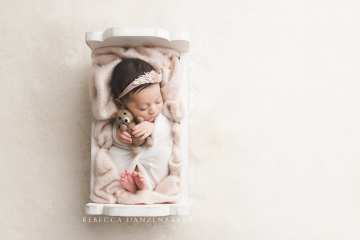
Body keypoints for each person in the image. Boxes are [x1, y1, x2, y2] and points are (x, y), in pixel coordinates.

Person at [109, 58, 172, 193]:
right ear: (122, 105)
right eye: (143, 108)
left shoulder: (160, 119)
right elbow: (111, 136)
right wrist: (120, 136)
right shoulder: (123, 117)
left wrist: (153, 128)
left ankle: (145, 184)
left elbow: (169, 131)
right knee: (114, 155)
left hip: (153, 156)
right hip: (128, 155)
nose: (153, 110)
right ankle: (131, 184)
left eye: (158, 101)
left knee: (163, 153)